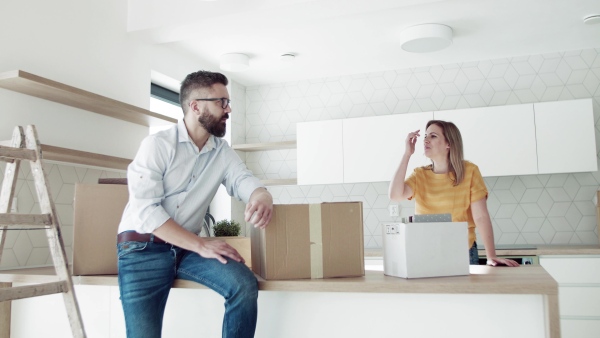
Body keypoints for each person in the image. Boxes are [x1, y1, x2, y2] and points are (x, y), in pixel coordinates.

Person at [116, 70, 273, 338]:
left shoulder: (221, 152)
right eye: (221, 102)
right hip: (142, 247)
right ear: (195, 106)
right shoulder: (157, 145)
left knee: (243, 284)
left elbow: (243, 180)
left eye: (228, 102)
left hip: (187, 251)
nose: (229, 109)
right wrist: (200, 244)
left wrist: (261, 196)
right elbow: (145, 211)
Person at [388, 119, 518, 267]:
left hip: (462, 251)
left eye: (433, 136)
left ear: (448, 144)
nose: (425, 140)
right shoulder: (420, 175)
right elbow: (395, 195)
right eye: (425, 136)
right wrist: (407, 154)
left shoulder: (470, 171)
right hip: (426, 251)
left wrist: (491, 256)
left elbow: (481, 216)